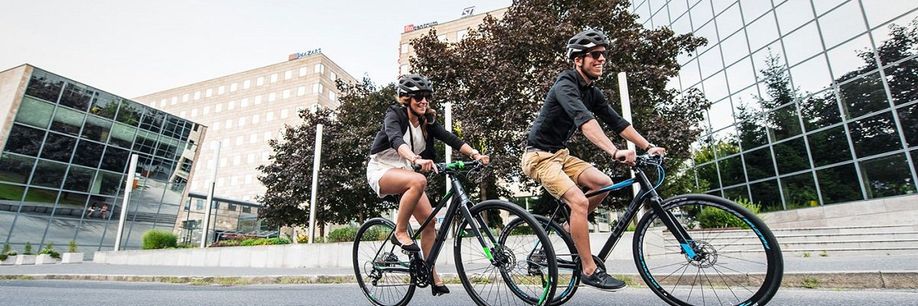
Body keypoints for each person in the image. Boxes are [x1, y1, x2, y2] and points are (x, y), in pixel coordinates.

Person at [521, 28, 667, 290]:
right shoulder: (565, 84)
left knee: (603, 182)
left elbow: (617, 122)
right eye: (595, 55)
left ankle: (567, 227)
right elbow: (586, 122)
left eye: (603, 55)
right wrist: (614, 151)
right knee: (578, 200)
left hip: (560, 155)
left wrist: (649, 146)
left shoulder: (592, 91)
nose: (602, 59)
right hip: (539, 157)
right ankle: (589, 269)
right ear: (578, 60)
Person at [367, 74, 489, 296]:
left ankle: (430, 272)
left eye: (427, 97)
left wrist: (475, 153)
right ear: (406, 99)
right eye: (418, 97)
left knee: (430, 222)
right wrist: (415, 159)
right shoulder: (394, 115)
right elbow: (396, 140)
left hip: (405, 172)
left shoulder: (427, 121)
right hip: (381, 170)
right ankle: (400, 231)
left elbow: (450, 138)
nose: (424, 101)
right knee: (419, 180)